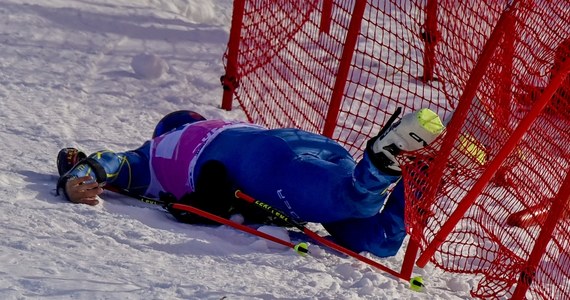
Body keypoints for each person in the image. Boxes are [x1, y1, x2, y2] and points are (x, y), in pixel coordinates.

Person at [56, 108, 445, 257]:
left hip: (256, 161)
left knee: (352, 200)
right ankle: (422, 174)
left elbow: (111, 162)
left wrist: (81, 177)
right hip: (299, 147)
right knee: (378, 241)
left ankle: (383, 160)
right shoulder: (206, 129)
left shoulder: (151, 154)